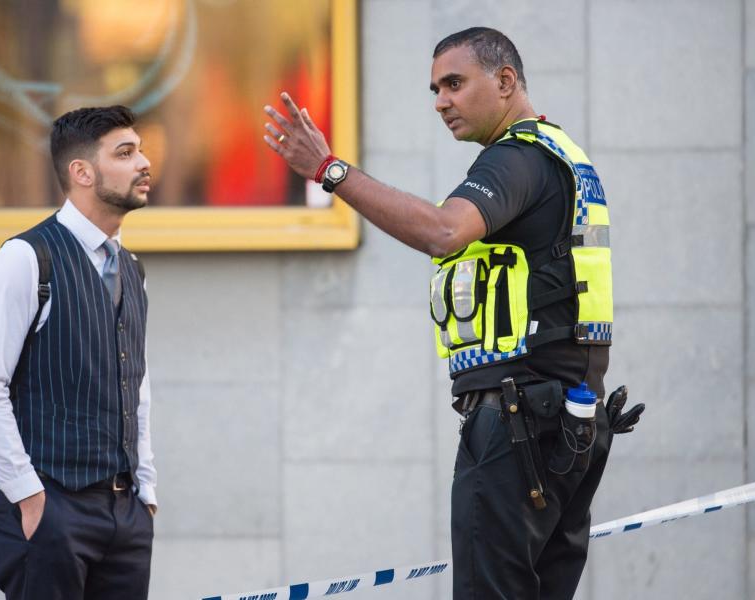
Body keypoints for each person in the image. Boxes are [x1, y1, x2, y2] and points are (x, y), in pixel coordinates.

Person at [263, 28, 615, 599]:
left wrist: (330, 169)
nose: (440, 102)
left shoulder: (517, 158)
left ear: (505, 82)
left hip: (520, 422)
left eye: (454, 83)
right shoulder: (563, 156)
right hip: (571, 419)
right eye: (434, 89)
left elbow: (443, 231)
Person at [0, 105, 157, 599]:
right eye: (126, 152)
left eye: (140, 149)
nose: (144, 162)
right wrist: (29, 498)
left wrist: (146, 496)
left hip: (124, 515)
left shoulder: (130, 267)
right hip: (50, 511)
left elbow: (137, 386)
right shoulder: (24, 260)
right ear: (82, 172)